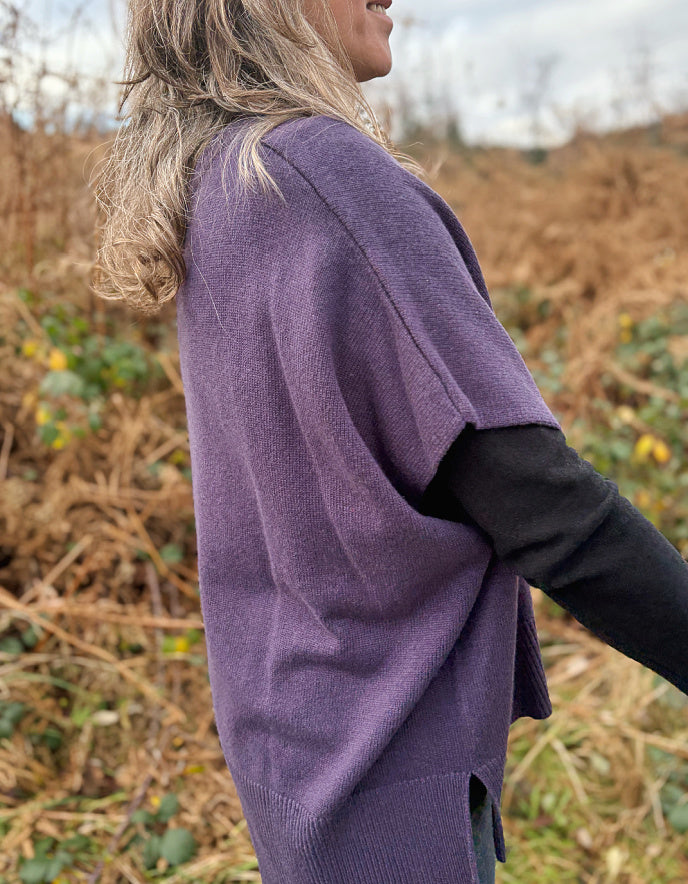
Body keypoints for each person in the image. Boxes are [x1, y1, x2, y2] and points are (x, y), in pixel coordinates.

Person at [92, 1, 688, 881]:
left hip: (294, 745)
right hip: (391, 766)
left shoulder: (217, 182)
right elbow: (542, 503)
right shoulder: (323, 172)